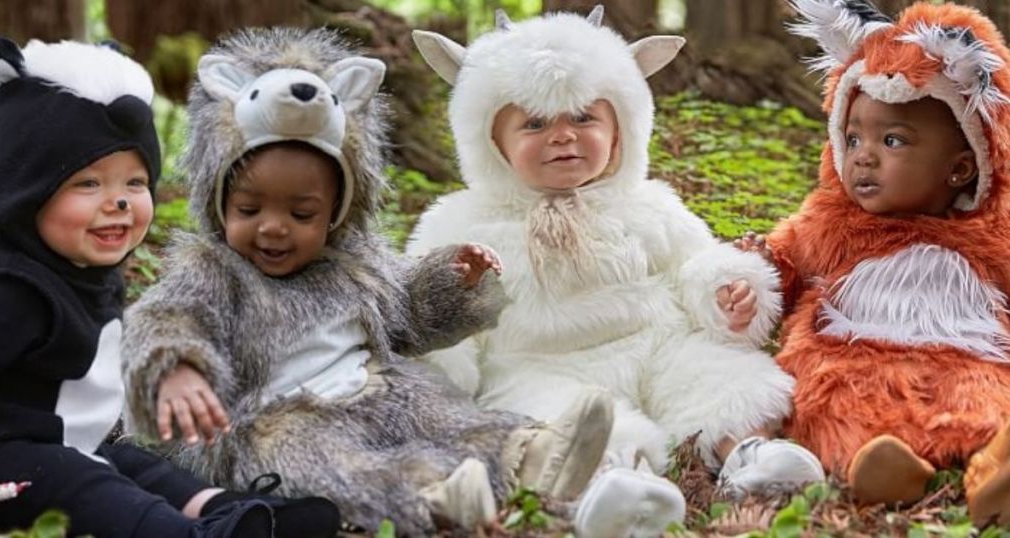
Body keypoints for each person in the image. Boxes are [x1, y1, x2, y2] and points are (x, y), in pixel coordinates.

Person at [120, 27, 630, 536]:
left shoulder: (353, 265)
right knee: (322, 462)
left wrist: (452, 280)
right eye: (249, 209)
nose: (272, 227)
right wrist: (176, 368)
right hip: (267, 419)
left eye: (302, 213)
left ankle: (533, 457)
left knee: (442, 415)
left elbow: (406, 310)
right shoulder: (211, 271)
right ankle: (432, 496)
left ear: (337, 215)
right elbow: (164, 318)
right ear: (218, 201)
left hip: (376, 393)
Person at [408, 7, 824, 534]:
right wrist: (443, 363)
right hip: (540, 365)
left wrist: (724, 288)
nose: (563, 136)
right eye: (535, 123)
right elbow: (437, 305)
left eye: (583, 117)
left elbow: (692, 263)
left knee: (722, 378)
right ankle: (615, 485)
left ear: (622, 126)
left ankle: (749, 455)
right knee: (565, 422)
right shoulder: (462, 222)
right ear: (491, 141)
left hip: (655, 345)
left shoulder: (647, 205)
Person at [0, 36, 339, 537]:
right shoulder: (12, 290)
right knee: (86, 482)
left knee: (134, 463)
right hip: (5, 463)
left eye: (134, 183)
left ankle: (226, 509)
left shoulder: (80, 271)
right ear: (22, 190)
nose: (120, 203)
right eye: (88, 184)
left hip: (63, 441)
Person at [747, 0, 1010, 526]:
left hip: (968, 358)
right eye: (852, 138)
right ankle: (883, 467)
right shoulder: (835, 222)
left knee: (991, 402)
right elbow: (786, 260)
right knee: (828, 402)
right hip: (853, 353)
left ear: (961, 168)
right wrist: (754, 269)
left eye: (893, 140)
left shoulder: (990, 234)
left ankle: (991, 472)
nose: (863, 156)